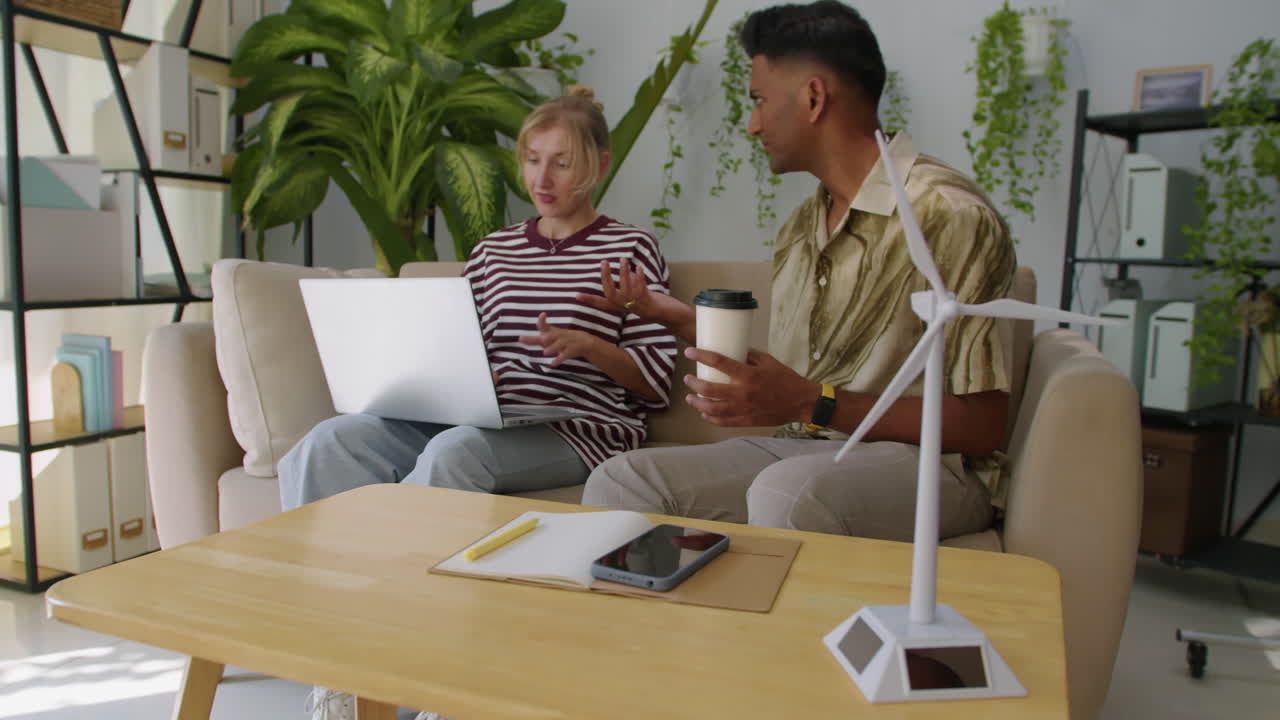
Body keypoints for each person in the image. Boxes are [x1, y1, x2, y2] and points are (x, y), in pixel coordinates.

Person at [281, 86, 677, 720]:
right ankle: (344, 659)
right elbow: (458, 346)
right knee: (331, 442)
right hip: (481, 411)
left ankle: (432, 671)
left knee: (455, 454)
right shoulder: (492, 254)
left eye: (562, 162)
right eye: (531, 159)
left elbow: (656, 383)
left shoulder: (630, 249)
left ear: (599, 166)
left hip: (581, 426)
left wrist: (589, 347)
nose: (541, 178)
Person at [579, 1, 1016, 543]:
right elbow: (799, 377)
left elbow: (982, 425)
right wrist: (680, 320)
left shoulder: (948, 216)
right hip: (806, 448)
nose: (752, 123)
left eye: (760, 100)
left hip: (933, 467)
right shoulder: (801, 226)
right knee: (622, 480)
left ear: (813, 97)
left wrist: (816, 403)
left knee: (787, 492)